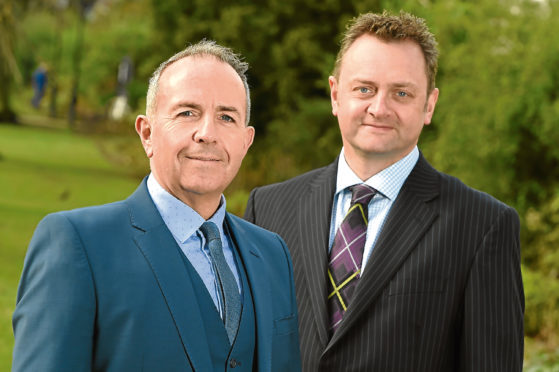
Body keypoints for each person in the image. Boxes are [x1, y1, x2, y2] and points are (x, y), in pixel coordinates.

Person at [244, 11, 524, 372]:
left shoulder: (484, 225)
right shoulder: (267, 209)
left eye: (401, 93)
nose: (379, 108)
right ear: (334, 95)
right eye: (364, 89)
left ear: (429, 105)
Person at [13, 40, 301, 372]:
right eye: (187, 113)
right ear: (147, 133)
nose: (207, 133)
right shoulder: (77, 244)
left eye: (226, 117)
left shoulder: (272, 254)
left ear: (246, 141)